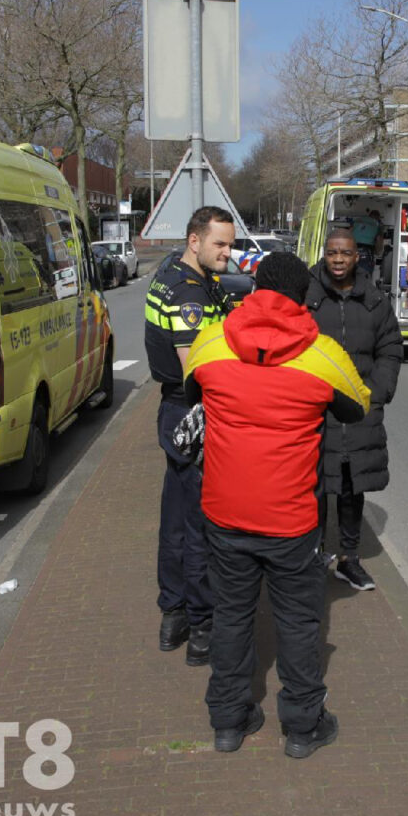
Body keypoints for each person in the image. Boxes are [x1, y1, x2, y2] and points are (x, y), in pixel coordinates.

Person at [184, 252, 371, 758]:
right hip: (290, 517)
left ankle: (228, 722)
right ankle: (302, 728)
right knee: (298, 622)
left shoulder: (212, 341)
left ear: (253, 290)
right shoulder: (321, 351)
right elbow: (359, 404)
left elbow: (189, 385)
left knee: (230, 616)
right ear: (303, 296)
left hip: (224, 511)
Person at [143, 206, 235, 665]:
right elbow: (194, 369)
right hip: (193, 411)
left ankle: (172, 614)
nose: (228, 252)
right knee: (199, 524)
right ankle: (201, 626)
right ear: (194, 240)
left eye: (230, 244)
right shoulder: (188, 295)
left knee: (176, 517)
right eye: (219, 244)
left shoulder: (175, 277)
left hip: (174, 412)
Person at [306, 229, 405, 592]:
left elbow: (391, 348)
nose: (337, 260)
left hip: (358, 412)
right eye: (332, 253)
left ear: (357, 257)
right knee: (313, 487)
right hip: (314, 412)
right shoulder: (307, 296)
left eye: (345, 253)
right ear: (324, 254)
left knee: (351, 488)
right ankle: (312, 557)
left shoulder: (375, 300)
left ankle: (350, 559)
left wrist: (375, 394)